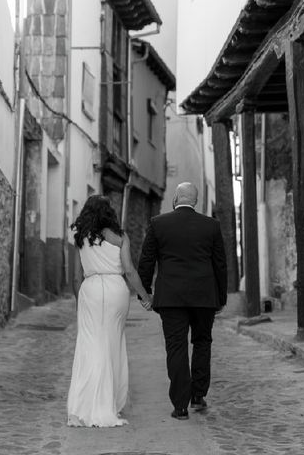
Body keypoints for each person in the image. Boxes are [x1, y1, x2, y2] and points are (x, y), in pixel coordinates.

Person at [138, 182, 227, 420]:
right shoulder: (211, 226)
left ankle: (180, 406)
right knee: (202, 342)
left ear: (176, 199)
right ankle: (198, 394)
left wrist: (144, 292)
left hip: (171, 298)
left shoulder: (159, 224)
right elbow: (220, 264)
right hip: (204, 297)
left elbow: (146, 261)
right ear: (196, 201)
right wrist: (221, 297)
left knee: (175, 346)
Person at [67, 195, 152, 428]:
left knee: (91, 345)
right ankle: (109, 403)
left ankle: (86, 404)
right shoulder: (121, 237)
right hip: (116, 289)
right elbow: (130, 271)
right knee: (112, 344)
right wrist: (145, 297)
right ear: (109, 213)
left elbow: (75, 277)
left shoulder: (80, 238)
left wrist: (80, 301)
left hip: (90, 289)